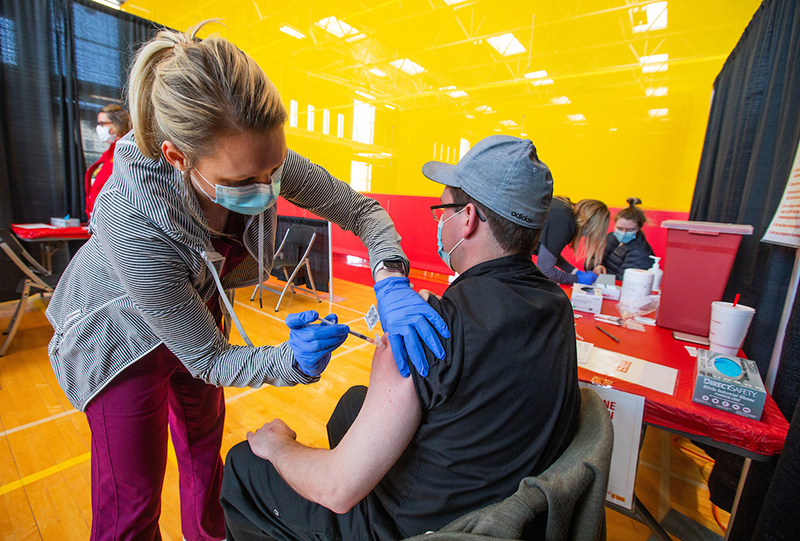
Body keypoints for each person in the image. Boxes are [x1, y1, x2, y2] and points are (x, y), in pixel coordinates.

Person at [45, 22, 448, 541]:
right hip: (119, 338)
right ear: (176, 157)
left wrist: (390, 279)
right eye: (242, 183)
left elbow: (363, 212)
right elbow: (209, 360)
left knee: (205, 458)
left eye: (274, 170)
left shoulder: (255, 155)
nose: (266, 188)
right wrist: (290, 361)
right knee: (132, 501)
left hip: (197, 308)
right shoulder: (133, 221)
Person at [220, 135, 582, 541]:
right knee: (351, 405)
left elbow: (336, 488)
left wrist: (275, 445)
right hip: (499, 502)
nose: (439, 222)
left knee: (242, 464)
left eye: (442, 210)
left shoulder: (440, 327)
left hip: (415, 529)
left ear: (468, 218)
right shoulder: (556, 304)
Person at [535, 196, 610, 285]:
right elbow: (546, 270)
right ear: (589, 224)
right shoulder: (564, 220)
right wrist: (577, 279)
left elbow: (549, 252)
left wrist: (574, 271)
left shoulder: (564, 210)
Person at [86, 104, 131, 218]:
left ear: (118, 124)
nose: (99, 128)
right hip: (97, 218)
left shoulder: (128, 152)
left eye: (102, 123)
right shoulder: (107, 155)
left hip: (115, 219)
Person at [596, 197, 655, 280]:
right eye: (620, 228)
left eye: (629, 230)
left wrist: (596, 278)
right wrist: (597, 265)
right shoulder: (611, 237)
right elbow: (593, 257)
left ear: (639, 228)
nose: (623, 233)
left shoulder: (641, 252)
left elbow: (622, 281)